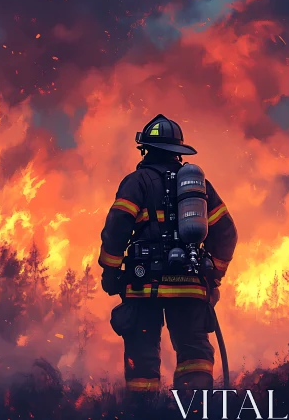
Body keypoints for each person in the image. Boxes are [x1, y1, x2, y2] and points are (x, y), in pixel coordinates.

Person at [99, 114, 238, 396]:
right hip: (189, 284)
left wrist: (110, 271)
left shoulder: (136, 182)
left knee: (142, 353)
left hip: (144, 286)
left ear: (145, 149)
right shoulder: (199, 188)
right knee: (194, 352)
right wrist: (214, 275)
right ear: (178, 152)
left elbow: (116, 229)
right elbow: (226, 233)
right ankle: (195, 408)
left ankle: (142, 412)